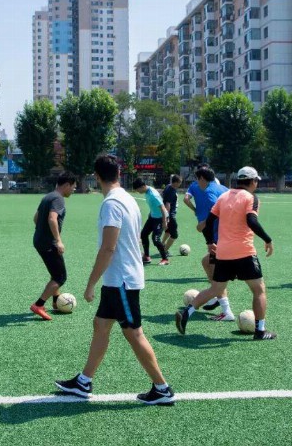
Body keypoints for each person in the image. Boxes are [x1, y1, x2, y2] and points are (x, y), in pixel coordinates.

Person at [55, 155, 174, 405]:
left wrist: (90, 284)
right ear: (119, 175)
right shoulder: (128, 198)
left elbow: (108, 248)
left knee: (134, 334)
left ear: (96, 177)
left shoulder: (111, 204)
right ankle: (84, 381)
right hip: (119, 280)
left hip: (122, 280)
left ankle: (161, 388)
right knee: (101, 325)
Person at [176, 166, 277, 340]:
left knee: (215, 288)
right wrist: (267, 239)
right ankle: (260, 331)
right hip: (244, 252)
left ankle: (188, 312)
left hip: (223, 252)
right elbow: (251, 220)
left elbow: (208, 221)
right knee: (259, 290)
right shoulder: (251, 198)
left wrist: (210, 243)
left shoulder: (224, 197)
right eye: (256, 182)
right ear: (253, 182)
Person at [30, 172, 77, 321]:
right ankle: (39, 304)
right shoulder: (58, 199)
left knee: (54, 272)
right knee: (60, 277)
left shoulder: (48, 196)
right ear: (67, 184)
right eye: (73, 187)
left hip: (38, 240)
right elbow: (52, 219)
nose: (74, 190)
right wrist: (58, 240)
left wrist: (42, 232)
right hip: (48, 243)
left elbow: (36, 218)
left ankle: (56, 301)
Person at [183, 166, 230, 317]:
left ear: (202, 178)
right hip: (224, 234)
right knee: (207, 263)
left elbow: (215, 210)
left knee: (217, 272)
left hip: (218, 236)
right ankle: (218, 298)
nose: (196, 182)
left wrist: (202, 223)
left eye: (197, 179)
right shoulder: (223, 188)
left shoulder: (209, 192)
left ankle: (226, 310)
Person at [132, 178, 170, 266]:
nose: (138, 192)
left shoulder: (153, 194)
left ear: (142, 187)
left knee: (156, 239)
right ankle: (146, 256)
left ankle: (165, 259)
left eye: (138, 190)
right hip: (153, 217)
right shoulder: (146, 191)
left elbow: (163, 209)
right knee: (144, 234)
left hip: (160, 218)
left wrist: (164, 222)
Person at [161, 175, 182, 253]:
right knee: (174, 235)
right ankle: (164, 251)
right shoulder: (172, 190)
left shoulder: (168, 187)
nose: (180, 184)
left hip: (168, 214)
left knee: (168, 231)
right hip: (170, 215)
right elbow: (167, 204)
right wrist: (167, 217)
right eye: (180, 183)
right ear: (176, 182)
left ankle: (162, 245)